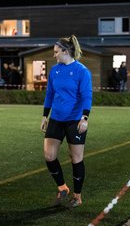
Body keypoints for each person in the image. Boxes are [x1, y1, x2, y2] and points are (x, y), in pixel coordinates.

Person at [40, 35, 92, 208]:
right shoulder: (54, 71)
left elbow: (86, 96)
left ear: (65, 51)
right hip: (56, 118)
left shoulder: (81, 71)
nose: (54, 55)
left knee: (76, 158)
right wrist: (45, 116)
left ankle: (77, 196)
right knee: (49, 155)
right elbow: (50, 94)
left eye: (56, 52)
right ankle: (62, 187)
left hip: (74, 120)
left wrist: (84, 118)